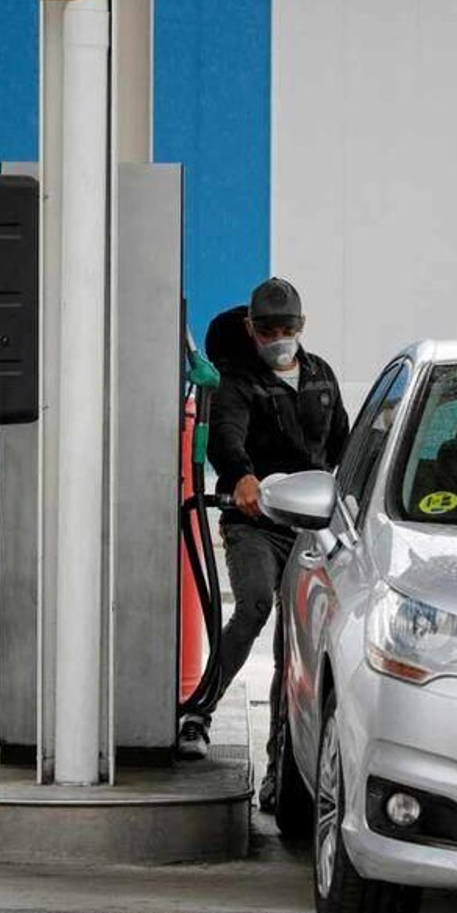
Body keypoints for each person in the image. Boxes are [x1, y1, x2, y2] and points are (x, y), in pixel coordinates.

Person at [179, 278, 350, 812]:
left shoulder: (321, 376)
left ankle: (283, 769)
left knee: (293, 642)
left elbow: (343, 443)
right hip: (254, 521)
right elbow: (227, 435)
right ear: (251, 329)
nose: (279, 338)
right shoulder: (237, 380)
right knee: (254, 604)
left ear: (302, 327)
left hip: (310, 528)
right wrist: (242, 477)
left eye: (288, 328)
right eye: (269, 329)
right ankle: (196, 713)